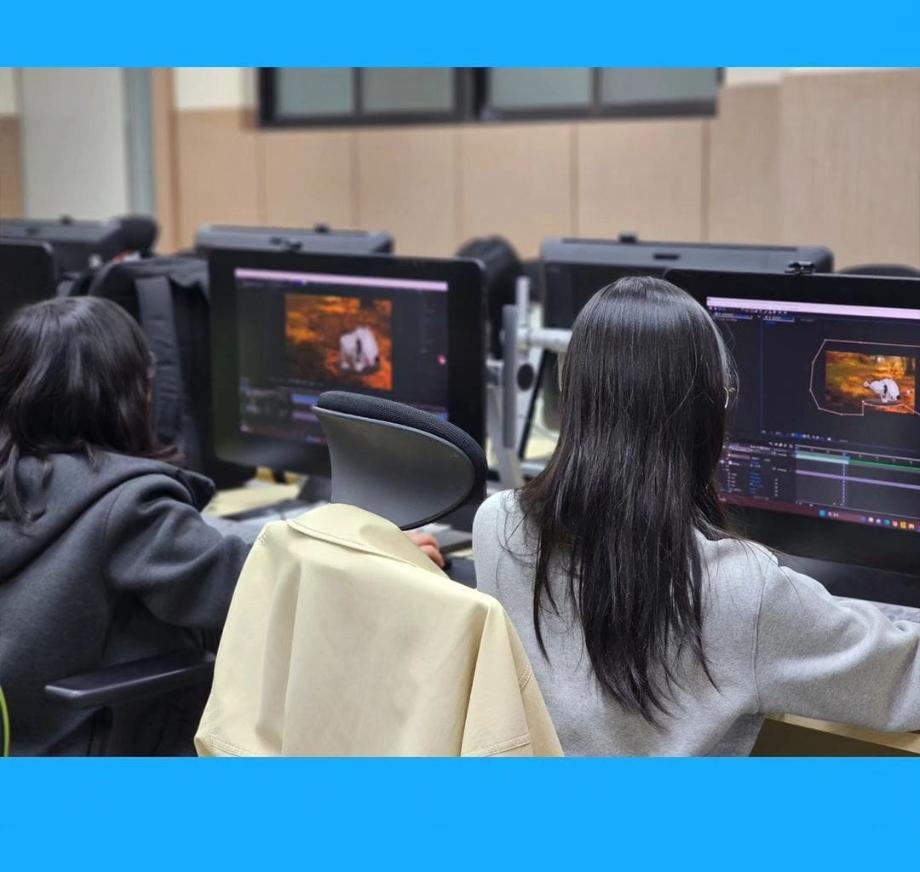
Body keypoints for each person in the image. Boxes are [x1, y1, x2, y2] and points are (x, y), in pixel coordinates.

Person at [474, 276, 920, 755]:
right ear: (704, 417)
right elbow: (905, 684)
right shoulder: (743, 591)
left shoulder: (498, 525)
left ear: (572, 397)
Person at [0, 296, 441, 756]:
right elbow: (253, 586)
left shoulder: (26, 488)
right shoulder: (128, 506)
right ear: (129, 394)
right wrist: (378, 554)